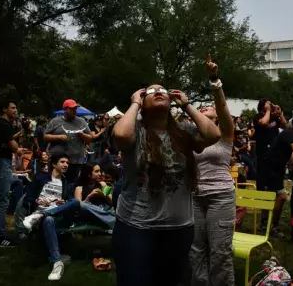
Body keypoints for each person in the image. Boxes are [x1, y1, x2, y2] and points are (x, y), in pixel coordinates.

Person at [112, 83, 221, 286]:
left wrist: (187, 106)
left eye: (162, 90)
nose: (158, 93)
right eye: (150, 92)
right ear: (143, 101)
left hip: (178, 229)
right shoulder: (135, 130)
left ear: (171, 100)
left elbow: (213, 134)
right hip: (136, 227)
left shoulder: (184, 131)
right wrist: (135, 103)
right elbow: (121, 136)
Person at [190, 56, 236, 286]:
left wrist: (214, 80)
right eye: (200, 108)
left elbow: (222, 105)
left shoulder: (225, 134)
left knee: (219, 252)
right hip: (196, 198)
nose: (204, 108)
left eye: (208, 107)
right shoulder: (192, 138)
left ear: (217, 116)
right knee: (196, 250)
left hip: (220, 197)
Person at [22, 152, 80, 281]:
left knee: (75, 202)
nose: (66, 165)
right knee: (48, 220)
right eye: (62, 162)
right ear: (54, 164)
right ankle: (57, 263)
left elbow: (71, 201)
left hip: (58, 215)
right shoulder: (40, 178)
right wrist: (38, 201)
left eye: (67, 163)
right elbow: (27, 199)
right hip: (43, 216)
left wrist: (63, 202)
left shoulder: (67, 182)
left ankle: (41, 215)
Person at [261, 114, 293, 237]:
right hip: (270, 168)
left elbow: (291, 157)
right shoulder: (291, 134)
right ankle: (272, 227)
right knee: (280, 197)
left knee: (272, 197)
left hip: (276, 169)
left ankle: (265, 224)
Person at [0, 100, 24, 247]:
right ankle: (0, 237)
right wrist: (19, 149)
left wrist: (13, 138)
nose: (15, 110)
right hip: (3, 163)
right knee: (3, 201)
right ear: (4, 109)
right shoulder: (5, 125)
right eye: (13, 108)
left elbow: (4, 142)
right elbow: (15, 148)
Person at [44, 99, 92, 183]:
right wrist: (58, 137)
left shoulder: (81, 121)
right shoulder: (55, 121)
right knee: (54, 182)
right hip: (57, 161)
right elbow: (45, 137)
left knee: (71, 184)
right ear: (65, 110)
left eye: (75, 109)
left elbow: (90, 138)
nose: (74, 111)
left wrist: (83, 135)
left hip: (75, 161)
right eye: (72, 109)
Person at [253, 98, 288, 192]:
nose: (271, 105)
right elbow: (263, 122)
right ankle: (263, 198)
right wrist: (268, 110)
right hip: (263, 152)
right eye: (268, 104)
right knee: (263, 176)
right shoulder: (257, 116)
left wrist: (280, 113)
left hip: (275, 151)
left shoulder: (274, 116)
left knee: (274, 175)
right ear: (262, 106)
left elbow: (285, 126)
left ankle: (275, 193)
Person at [74, 162, 115, 229]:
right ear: (89, 174)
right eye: (96, 171)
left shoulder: (103, 184)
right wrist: (89, 196)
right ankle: (111, 220)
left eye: (100, 171)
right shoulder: (79, 189)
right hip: (91, 213)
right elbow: (78, 208)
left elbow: (112, 202)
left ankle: (109, 219)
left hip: (104, 209)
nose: (100, 174)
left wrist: (102, 194)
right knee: (82, 204)